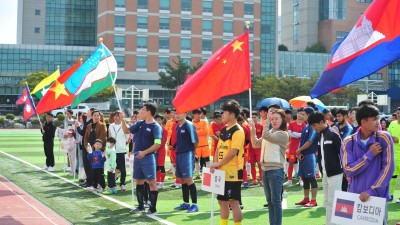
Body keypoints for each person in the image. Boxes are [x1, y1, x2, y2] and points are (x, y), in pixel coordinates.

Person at [341, 104, 394, 225]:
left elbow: (388, 168)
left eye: (378, 118)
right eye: (374, 119)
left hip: (377, 197)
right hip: (356, 197)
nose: (378, 122)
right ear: (363, 122)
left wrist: (372, 191)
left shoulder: (384, 137)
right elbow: (348, 169)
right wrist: (369, 155)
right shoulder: (349, 141)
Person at [121, 103, 162, 215]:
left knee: (151, 182)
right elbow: (126, 131)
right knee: (139, 181)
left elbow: (157, 144)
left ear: (148, 112)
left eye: (143, 110)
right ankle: (140, 206)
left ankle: (153, 208)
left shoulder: (156, 127)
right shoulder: (139, 124)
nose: (140, 112)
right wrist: (122, 120)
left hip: (148, 157)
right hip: (138, 158)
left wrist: (144, 152)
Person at [250, 109, 289, 225]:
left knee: (276, 201)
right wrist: (252, 130)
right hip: (266, 170)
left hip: (276, 171)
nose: (273, 121)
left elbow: (266, 135)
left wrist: (265, 121)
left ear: (283, 120)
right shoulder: (270, 133)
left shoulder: (283, 134)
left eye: (276, 119)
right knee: (270, 201)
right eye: (272, 119)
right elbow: (255, 144)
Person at [210, 100, 245, 225]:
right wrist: (215, 164)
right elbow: (218, 149)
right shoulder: (224, 130)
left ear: (232, 115)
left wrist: (218, 164)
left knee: (233, 201)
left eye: (224, 112)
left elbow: (233, 152)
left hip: (233, 172)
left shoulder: (238, 131)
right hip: (221, 172)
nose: (222, 115)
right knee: (222, 201)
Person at [308, 112, 343, 225]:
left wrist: (346, 171)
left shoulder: (333, 133)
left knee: (334, 202)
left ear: (322, 122)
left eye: (314, 125)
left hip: (336, 173)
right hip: (325, 173)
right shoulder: (320, 134)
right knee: (327, 202)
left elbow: (343, 153)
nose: (313, 128)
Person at [173, 111, 200, 213]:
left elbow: (195, 141)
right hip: (179, 154)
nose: (176, 115)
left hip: (187, 154)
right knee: (182, 179)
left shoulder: (189, 125)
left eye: (179, 113)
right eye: (175, 113)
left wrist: (191, 151)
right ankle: (186, 203)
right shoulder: (178, 127)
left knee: (188, 178)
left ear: (185, 114)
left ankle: (195, 204)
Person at [295, 107, 319, 207]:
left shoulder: (313, 128)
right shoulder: (305, 126)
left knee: (311, 178)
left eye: (303, 114)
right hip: (303, 155)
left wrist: (299, 150)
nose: (301, 116)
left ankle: (314, 200)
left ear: (309, 115)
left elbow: (310, 142)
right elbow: (302, 141)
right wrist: (299, 152)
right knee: (304, 178)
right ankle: (306, 198)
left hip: (310, 155)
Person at [108, 111, 130, 192]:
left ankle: (122, 184)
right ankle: (112, 184)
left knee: (123, 169)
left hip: (122, 150)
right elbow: (110, 137)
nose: (115, 117)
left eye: (117, 116)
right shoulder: (111, 126)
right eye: (115, 116)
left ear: (121, 117)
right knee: (113, 168)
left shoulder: (125, 126)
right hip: (113, 150)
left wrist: (121, 143)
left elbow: (128, 137)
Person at [284, 108, 306, 186]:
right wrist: (299, 134)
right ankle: (289, 180)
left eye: (302, 114)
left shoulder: (305, 125)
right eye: (299, 113)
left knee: (301, 163)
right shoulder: (291, 124)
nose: (300, 115)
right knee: (291, 163)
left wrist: (295, 134)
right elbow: (290, 134)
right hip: (292, 147)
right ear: (296, 114)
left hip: (301, 147)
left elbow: (304, 135)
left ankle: (301, 180)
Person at [76, 108, 95, 188]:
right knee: (86, 164)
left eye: (89, 111)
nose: (87, 112)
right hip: (85, 145)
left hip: (88, 146)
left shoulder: (91, 122)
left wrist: (77, 127)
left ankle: (90, 181)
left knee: (89, 164)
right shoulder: (87, 121)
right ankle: (88, 180)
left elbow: (82, 132)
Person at [192, 108, 210, 179]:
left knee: (207, 160)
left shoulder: (204, 122)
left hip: (205, 144)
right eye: (196, 114)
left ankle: (209, 175)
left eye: (199, 114)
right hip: (196, 145)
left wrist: (196, 132)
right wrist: (200, 132)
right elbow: (192, 134)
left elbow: (206, 131)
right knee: (196, 160)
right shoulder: (191, 123)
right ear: (193, 114)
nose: (198, 115)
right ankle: (197, 175)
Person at [387, 107, 400, 203]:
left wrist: (398, 140)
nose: (399, 115)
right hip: (393, 155)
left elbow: (396, 139)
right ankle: (390, 194)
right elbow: (388, 135)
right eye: (398, 113)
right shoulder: (392, 123)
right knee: (392, 176)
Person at [249, 112, 263, 186]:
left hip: (258, 148)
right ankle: (254, 180)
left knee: (260, 164)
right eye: (252, 117)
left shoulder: (261, 126)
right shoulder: (249, 127)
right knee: (252, 164)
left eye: (255, 117)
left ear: (257, 118)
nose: (253, 119)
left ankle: (261, 180)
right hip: (250, 148)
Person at [155, 114, 168, 190]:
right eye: (156, 120)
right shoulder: (155, 128)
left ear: (162, 120)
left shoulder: (164, 129)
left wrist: (155, 148)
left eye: (159, 120)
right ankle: (157, 181)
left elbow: (163, 141)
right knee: (156, 166)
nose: (157, 121)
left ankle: (162, 182)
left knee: (161, 166)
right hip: (155, 150)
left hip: (161, 150)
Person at [76, 113, 87, 182]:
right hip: (80, 145)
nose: (80, 119)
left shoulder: (85, 126)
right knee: (80, 161)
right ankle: (81, 176)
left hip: (84, 145)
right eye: (79, 118)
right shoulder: (81, 125)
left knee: (83, 162)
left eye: (81, 118)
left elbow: (82, 133)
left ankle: (84, 176)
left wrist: (77, 127)